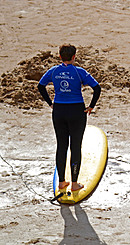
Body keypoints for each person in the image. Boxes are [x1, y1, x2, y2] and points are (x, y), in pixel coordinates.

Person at [38, 44, 101, 191]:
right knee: (75, 147)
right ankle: (74, 184)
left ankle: (61, 182)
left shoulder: (53, 71)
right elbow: (97, 88)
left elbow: (41, 86)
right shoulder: (79, 72)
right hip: (77, 112)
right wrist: (91, 106)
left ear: (60, 56)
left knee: (61, 146)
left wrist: (50, 103)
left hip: (59, 111)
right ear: (74, 57)